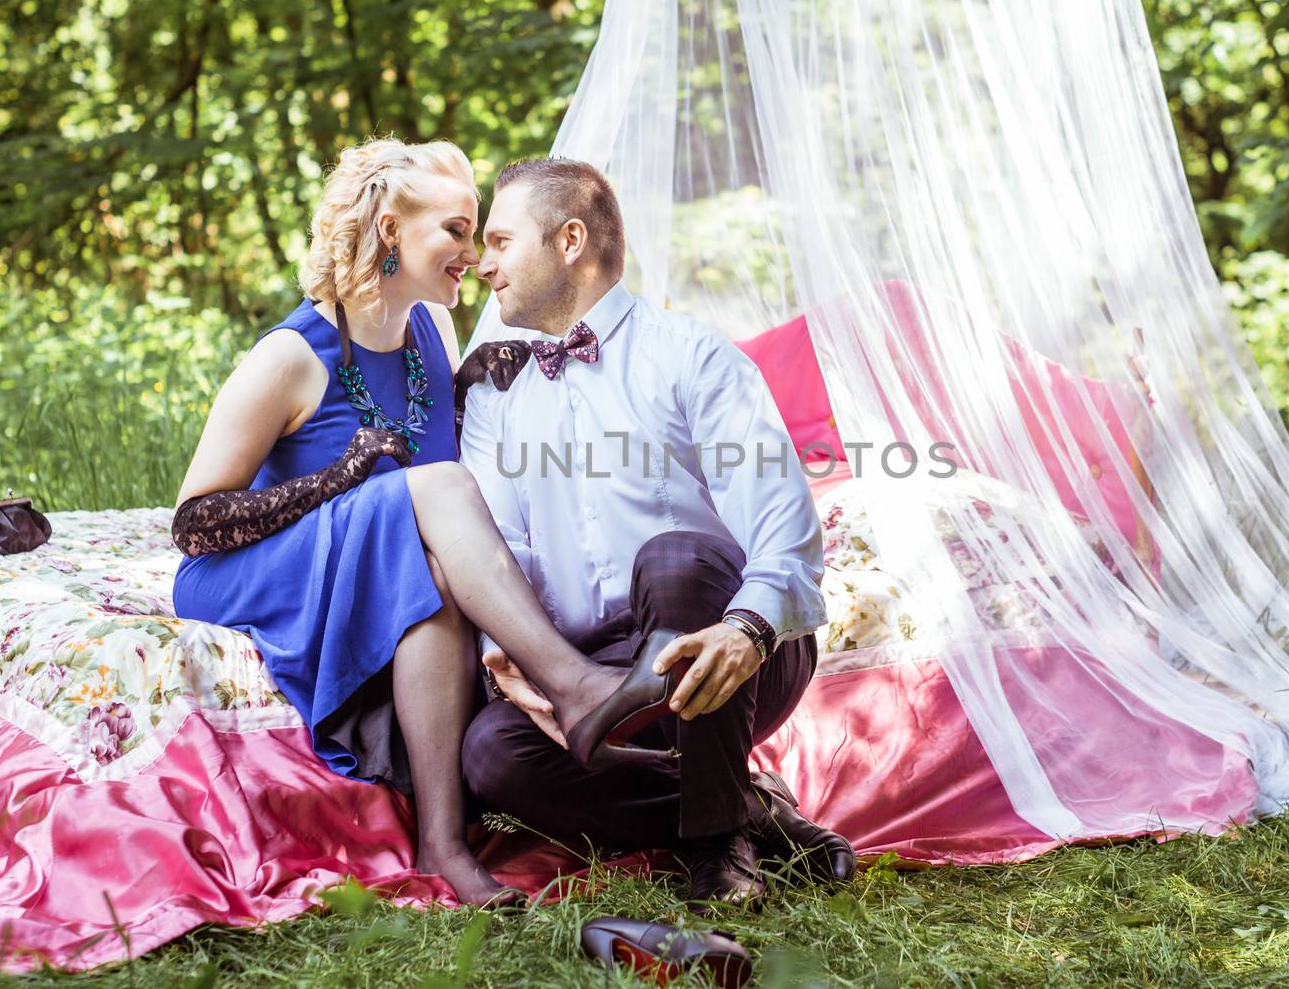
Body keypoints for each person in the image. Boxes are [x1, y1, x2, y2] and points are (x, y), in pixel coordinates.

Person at [169, 138, 628, 907]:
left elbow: (415, 446)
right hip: (253, 575)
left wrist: (470, 388)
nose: (476, 256)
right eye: (456, 231)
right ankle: (575, 684)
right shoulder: (289, 357)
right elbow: (194, 527)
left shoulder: (430, 337)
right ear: (390, 231)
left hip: (370, 565)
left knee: (437, 575)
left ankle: (442, 843)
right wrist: (339, 476)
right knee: (436, 494)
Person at [459, 158, 857, 906]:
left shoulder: (693, 355)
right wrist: (502, 649)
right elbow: (498, 548)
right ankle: (753, 808)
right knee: (492, 757)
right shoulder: (496, 395)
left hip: (733, 644)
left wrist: (745, 630)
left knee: (675, 559)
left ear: (569, 239)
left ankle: (718, 849)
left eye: (501, 241)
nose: (483, 265)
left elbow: (785, 528)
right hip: (598, 675)